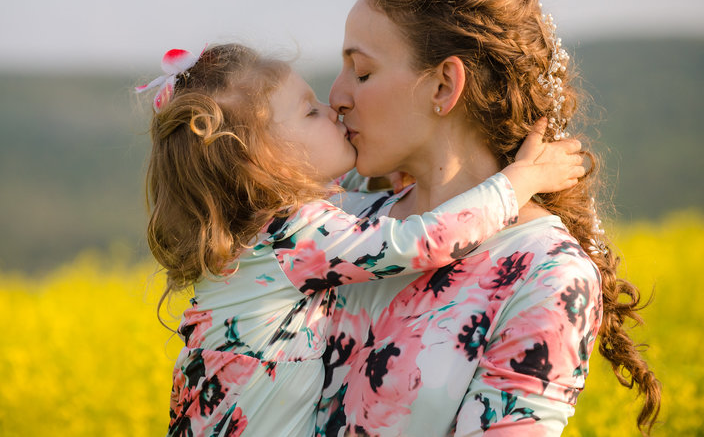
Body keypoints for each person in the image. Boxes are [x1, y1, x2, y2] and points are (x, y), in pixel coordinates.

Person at [138, 43, 584, 436]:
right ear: (264, 163)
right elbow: (423, 240)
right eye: (311, 112)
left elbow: (336, 190)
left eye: (364, 72)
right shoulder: (294, 234)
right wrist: (517, 183)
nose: (334, 108)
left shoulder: (256, 229)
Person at [317, 0, 662, 436]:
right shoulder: (338, 221)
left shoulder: (545, 274)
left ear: (444, 85)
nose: (336, 96)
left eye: (362, 72)